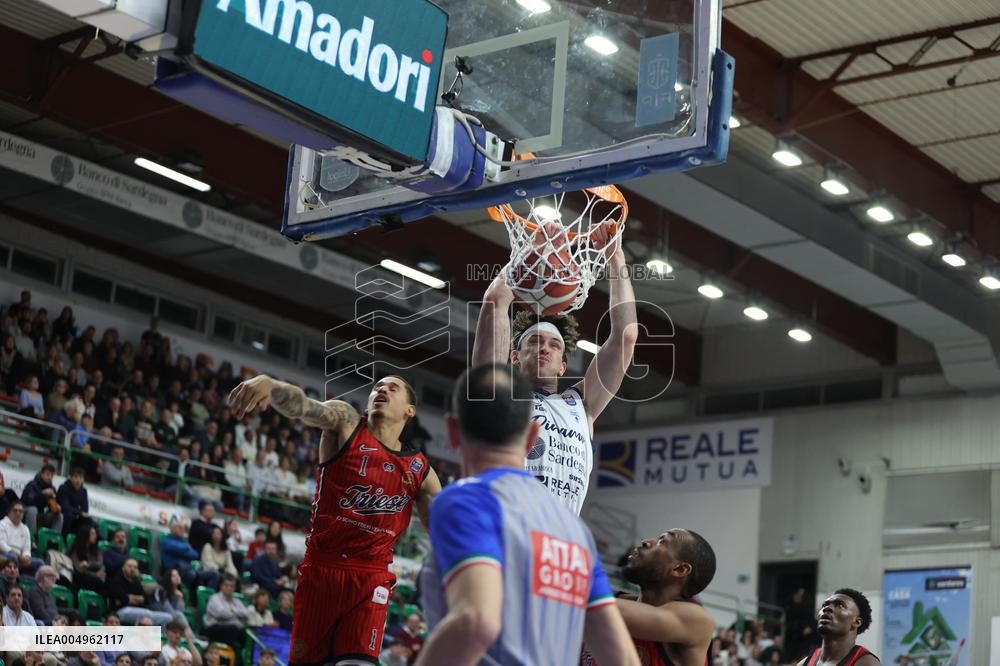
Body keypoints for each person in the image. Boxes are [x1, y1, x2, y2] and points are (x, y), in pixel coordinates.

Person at [417, 364, 637, 666]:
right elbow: (623, 658)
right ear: (533, 435)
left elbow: (476, 621)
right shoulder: (575, 531)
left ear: (453, 432)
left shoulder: (465, 500)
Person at [228, 373, 444, 666]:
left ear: (410, 410)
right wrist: (271, 385)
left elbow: (443, 532)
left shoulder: (420, 470)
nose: (382, 391)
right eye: (377, 387)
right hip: (322, 568)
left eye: (392, 388)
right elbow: (304, 406)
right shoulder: (347, 422)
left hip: (372, 576)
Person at [470, 230, 638, 515]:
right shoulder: (498, 395)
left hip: (559, 535)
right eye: (534, 341)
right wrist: (532, 250)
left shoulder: (581, 405)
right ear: (514, 358)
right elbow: (495, 299)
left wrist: (615, 257)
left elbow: (626, 336)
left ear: (563, 365)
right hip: (506, 521)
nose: (544, 348)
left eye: (554, 344)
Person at [590, 530, 718, 666]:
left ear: (679, 569)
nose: (645, 541)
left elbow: (602, 607)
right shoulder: (618, 600)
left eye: (662, 541)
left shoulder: (697, 620)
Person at [797, 590, 879, 666]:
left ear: (856, 622)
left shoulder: (866, 663)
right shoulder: (804, 663)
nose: (827, 608)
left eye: (840, 605)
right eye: (825, 605)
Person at [107, 558, 174, 626]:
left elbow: (145, 600)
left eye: (135, 567)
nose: (132, 569)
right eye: (129, 566)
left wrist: (130, 598)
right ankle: (139, 635)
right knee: (145, 614)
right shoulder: (116, 580)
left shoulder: (136, 582)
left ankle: (159, 636)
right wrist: (137, 599)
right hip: (120, 612)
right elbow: (124, 599)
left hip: (140, 611)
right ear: (123, 568)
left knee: (168, 618)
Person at [160, 517, 220, 591]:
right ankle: (185, 593)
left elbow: (195, 554)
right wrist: (186, 548)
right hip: (174, 572)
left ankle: (208, 597)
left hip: (188, 569)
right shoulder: (166, 541)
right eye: (179, 527)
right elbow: (176, 547)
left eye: (184, 528)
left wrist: (182, 550)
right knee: (191, 574)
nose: (182, 530)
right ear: (172, 529)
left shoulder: (184, 542)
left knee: (214, 574)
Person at [202, 574, 248, 651]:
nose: (229, 588)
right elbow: (221, 614)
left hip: (231, 630)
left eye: (231, 586)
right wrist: (236, 615)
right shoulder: (214, 598)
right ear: (221, 586)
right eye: (226, 585)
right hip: (213, 628)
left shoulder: (237, 601)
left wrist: (232, 610)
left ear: (234, 588)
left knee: (246, 633)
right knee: (233, 629)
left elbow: (245, 614)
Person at [0, 501, 44, 574]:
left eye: (20, 511)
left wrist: (27, 557)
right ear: (9, 512)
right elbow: (2, 545)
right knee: (13, 557)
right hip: (4, 555)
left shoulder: (25, 528)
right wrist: (20, 557)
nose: (18, 513)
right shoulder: (2, 524)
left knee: (40, 563)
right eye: (15, 510)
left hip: (20, 559)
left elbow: (27, 548)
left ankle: (28, 581)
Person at [22, 464, 63, 534]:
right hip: (26, 511)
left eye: (52, 475)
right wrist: (42, 493)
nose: (50, 477)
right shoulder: (32, 484)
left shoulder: (52, 489)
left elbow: (52, 504)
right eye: (47, 474)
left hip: (42, 514)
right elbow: (27, 500)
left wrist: (56, 507)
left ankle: (53, 539)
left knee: (59, 515)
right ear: (42, 474)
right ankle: (32, 537)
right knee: (33, 510)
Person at [69, 524, 106, 593]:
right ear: (85, 535)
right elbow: (79, 569)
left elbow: (100, 565)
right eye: (92, 534)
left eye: (95, 534)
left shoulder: (97, 549)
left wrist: (88, 565)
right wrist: (94, 574)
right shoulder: (76, 550)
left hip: (93, 578)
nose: (95, 536)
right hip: (80, 578)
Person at [56, 467, 91, 537]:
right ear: (70, 477)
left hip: (76, 515)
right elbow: (65, 506)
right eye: (75, 477)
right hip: (63, 514)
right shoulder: (63, 488)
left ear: (83, 479)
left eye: (80, 478)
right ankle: (64, 539)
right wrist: (80, 512)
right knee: (69, 515)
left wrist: (81, 513)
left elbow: (85, 509)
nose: (78, 480)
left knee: (90, 521)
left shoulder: (83, 491)